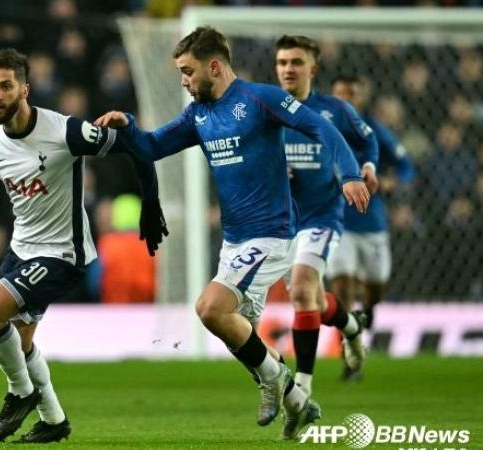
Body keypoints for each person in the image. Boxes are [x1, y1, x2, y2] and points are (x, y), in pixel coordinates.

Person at [94, 27, 370, 440]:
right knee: (235, 331)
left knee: (210, 308)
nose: (183, 81)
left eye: (188, 72)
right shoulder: (198, 114)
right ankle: (296, 400)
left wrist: (349, 173)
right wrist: (127, 127)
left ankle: (274, 380)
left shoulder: (261, 99)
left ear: (215, 66)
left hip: (273, 235)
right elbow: (152, 147)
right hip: (235, 241)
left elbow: (323, 130)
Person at [0, 48, 167, 443]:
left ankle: (21, 394)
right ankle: (54, 421)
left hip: (63, 254)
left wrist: (150, 203)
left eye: (5, 86)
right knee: (19, 346)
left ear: (24, 89)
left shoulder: (65, 132)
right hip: (21, 250)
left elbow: (139, 147)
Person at [273, 35, 379, 396]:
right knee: (313, 302)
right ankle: (351, 325)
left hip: (323, 216)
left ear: (312, 69)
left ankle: (301, 388)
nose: (288, 68)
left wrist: (367, 166)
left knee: (303, 290)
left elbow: (367, 141)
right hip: (281, 223)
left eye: (296, 62)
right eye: (283, 62)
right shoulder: (266, 110)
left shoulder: (335, 109)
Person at [329, 74, 415, 378]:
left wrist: (393, 180)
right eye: (341, 94)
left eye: (352, 94)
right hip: (337, 222)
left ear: (362, 98)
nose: (347, 100)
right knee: (342, 288)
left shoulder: (374, 132)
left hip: (372, 223)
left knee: (374, 292)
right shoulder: (321, 129)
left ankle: (363, 324)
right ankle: (350, 355)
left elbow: (405, 165)